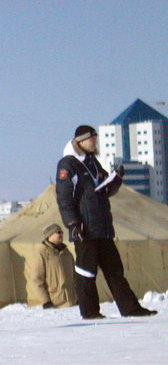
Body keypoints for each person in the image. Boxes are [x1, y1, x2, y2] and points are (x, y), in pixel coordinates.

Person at [55, 125, 156, 320]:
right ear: (80, 142)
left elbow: (104, 190)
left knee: (114, 270)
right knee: (86, 271)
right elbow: (64, 198)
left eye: (95, 139)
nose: (95, 142)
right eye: (91, 139)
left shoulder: (92, 162)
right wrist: (73, 224)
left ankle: (131, 309)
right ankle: (90, 312)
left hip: (102, 226)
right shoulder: (68, 164)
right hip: (84, 228)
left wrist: (116, 178)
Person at [27, 223, 76, 309]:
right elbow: (36, 280)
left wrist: (78, 297)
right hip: (54, 304)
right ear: (49, 235)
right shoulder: (41, 253)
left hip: (72, 302)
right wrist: (45, 301)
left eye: (61, 232)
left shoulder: (66, 253)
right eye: (58, 232)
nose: (61, 234)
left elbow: (75, 276)